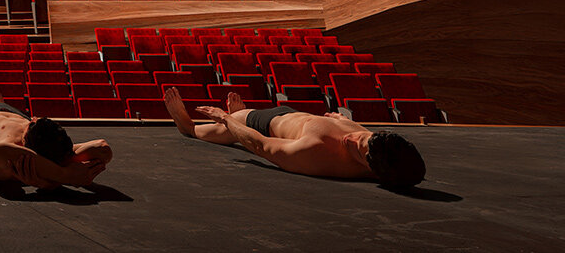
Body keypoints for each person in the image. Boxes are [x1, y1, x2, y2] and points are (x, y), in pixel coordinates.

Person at [164, 87, 426, 187]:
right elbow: (366, 137)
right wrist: (346, 123)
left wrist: (228, 119)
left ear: (370, 169)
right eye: (362, 138)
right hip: (295, 116)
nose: (353, 139)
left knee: (196, 131)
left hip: (263, 124)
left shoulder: (314, 154)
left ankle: (185, 123)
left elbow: (262, 145)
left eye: (358, 149)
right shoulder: (380, 147)